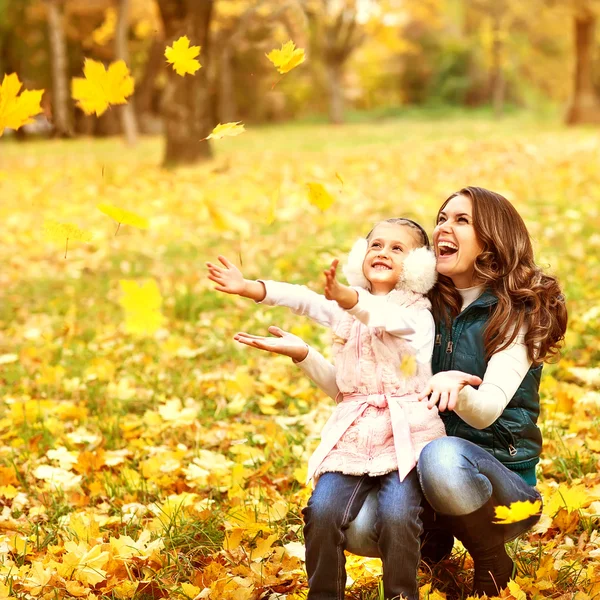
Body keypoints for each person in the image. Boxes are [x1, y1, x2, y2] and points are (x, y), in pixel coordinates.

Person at [233, 187, 568, 597]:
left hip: (494, 478)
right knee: (356, 526)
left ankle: (489, 553)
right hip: (412, 465)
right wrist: (304, 353)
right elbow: (356, 389)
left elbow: (484, 412)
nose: (444, 227)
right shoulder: (424, 303)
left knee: (441, 458)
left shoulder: (517, 310)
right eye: (442, 218)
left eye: (461, 220)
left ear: (493, 238)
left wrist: (452, 385)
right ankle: (434, 540)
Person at [206, 217, 447, 600]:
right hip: (353, 435)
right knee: (322, 511)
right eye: (376, 245)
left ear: (418, 265)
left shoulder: (418, 314)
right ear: (360, 254)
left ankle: (402, 594)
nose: (382, 252)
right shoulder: (344, 305)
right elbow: (304, 299)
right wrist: (251, 288)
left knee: (399, 515)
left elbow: (385, 319)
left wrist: (347, 299)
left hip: (408, 436)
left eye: (397, 248)